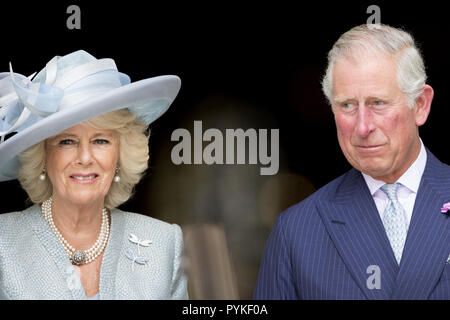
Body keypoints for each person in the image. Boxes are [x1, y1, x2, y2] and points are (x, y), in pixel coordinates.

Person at [254, 24, 450, 299]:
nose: (362, 127)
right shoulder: (297, 233)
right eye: (347, 105)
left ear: (420, 105)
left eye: (378, 103)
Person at [0, 50, 188, 299]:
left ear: (120, 154)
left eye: (100, 141)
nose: (85, 157)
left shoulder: (165, 243)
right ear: (43, 156)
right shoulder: (3, 242)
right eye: (67, 141)